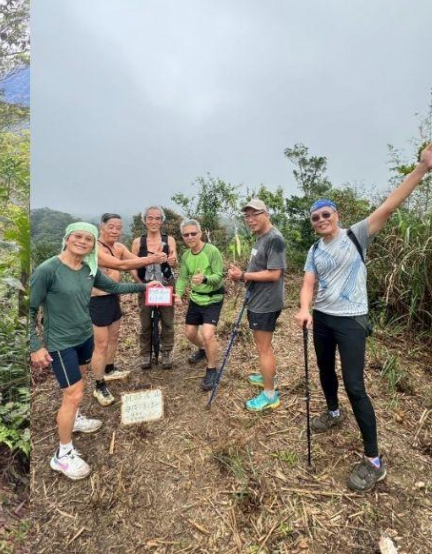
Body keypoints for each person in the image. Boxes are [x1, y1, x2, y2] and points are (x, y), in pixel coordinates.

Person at [295, 143, 432, 491]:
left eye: (327, 214)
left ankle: (374, 459)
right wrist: (303, 308)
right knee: (325, 370)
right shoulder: (314, 250)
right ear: (312, 224)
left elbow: (389, 205)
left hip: (352, 320)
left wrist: (421, 169)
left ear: (336, 216)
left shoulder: (356, 235)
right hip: (323, 320)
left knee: (355, 385)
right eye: (316, 217)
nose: (322, 220)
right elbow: (309, 282)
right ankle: (333, 412)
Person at [30, 222, 158, 480]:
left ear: (92, 245)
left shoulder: (88, 269)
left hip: (84, 337)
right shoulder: (48, 270)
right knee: (73, 394)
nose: (83, 242)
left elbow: (113, 287)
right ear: (67, 238)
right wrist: (35, 346)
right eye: (77, 236)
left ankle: (74, 421)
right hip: (60, 342)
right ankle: (62, 454)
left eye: (88, 239)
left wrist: (145, 287)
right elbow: (28, 310)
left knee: (78, 388)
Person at [90, 213, 168, 406]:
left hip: (114, 298)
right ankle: (98, 385)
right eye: (111, 227)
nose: (115, 231)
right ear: (102, 227)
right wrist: (152, 260)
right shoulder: (94, 248)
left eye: (118, 227)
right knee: (100, 344)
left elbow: (135, 260)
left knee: (114, 336)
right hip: (97, 300)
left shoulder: (119, 247)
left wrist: (157, 257)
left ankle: (109, 369)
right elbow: (121, 265)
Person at [228, 198, 286, 412]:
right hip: (258, 299)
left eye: (255, 214)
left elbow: (274, 274)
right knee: (263, 346)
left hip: (266, 303)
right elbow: (261, 267)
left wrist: (243, 275)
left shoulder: (274, 239)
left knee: (263, 349)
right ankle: (267, 376)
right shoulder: (261, 237)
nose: (250, 219)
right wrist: (242, 274)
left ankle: (270, 394)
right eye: (247, 216)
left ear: (267, 214)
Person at [174, 219, 225, 391]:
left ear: (200, 233)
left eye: (193, 233)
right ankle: (203, 349)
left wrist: (205, 279)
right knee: (189, 333)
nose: (190, 237)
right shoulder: (186, 256)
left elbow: (219, 276)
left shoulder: (212, 251)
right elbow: (182, 277)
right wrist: (178, 295)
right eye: (186, 234)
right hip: (196, 299)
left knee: (208, 334)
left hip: (213, 299)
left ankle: (211, 369)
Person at [131, 206, 178, 369]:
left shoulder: (169, 240)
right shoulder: (138, 242)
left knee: (167, 320)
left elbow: (174, 260)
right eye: (150, 218)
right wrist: (140, 284)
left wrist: (172, 261)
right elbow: (132, 265)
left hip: (165, 285)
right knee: (145, 322)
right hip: (145, 285)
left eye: (158, 218)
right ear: (144, 220)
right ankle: (145, 354)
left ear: (162, 221)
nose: (154, 221)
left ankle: (166, 352)